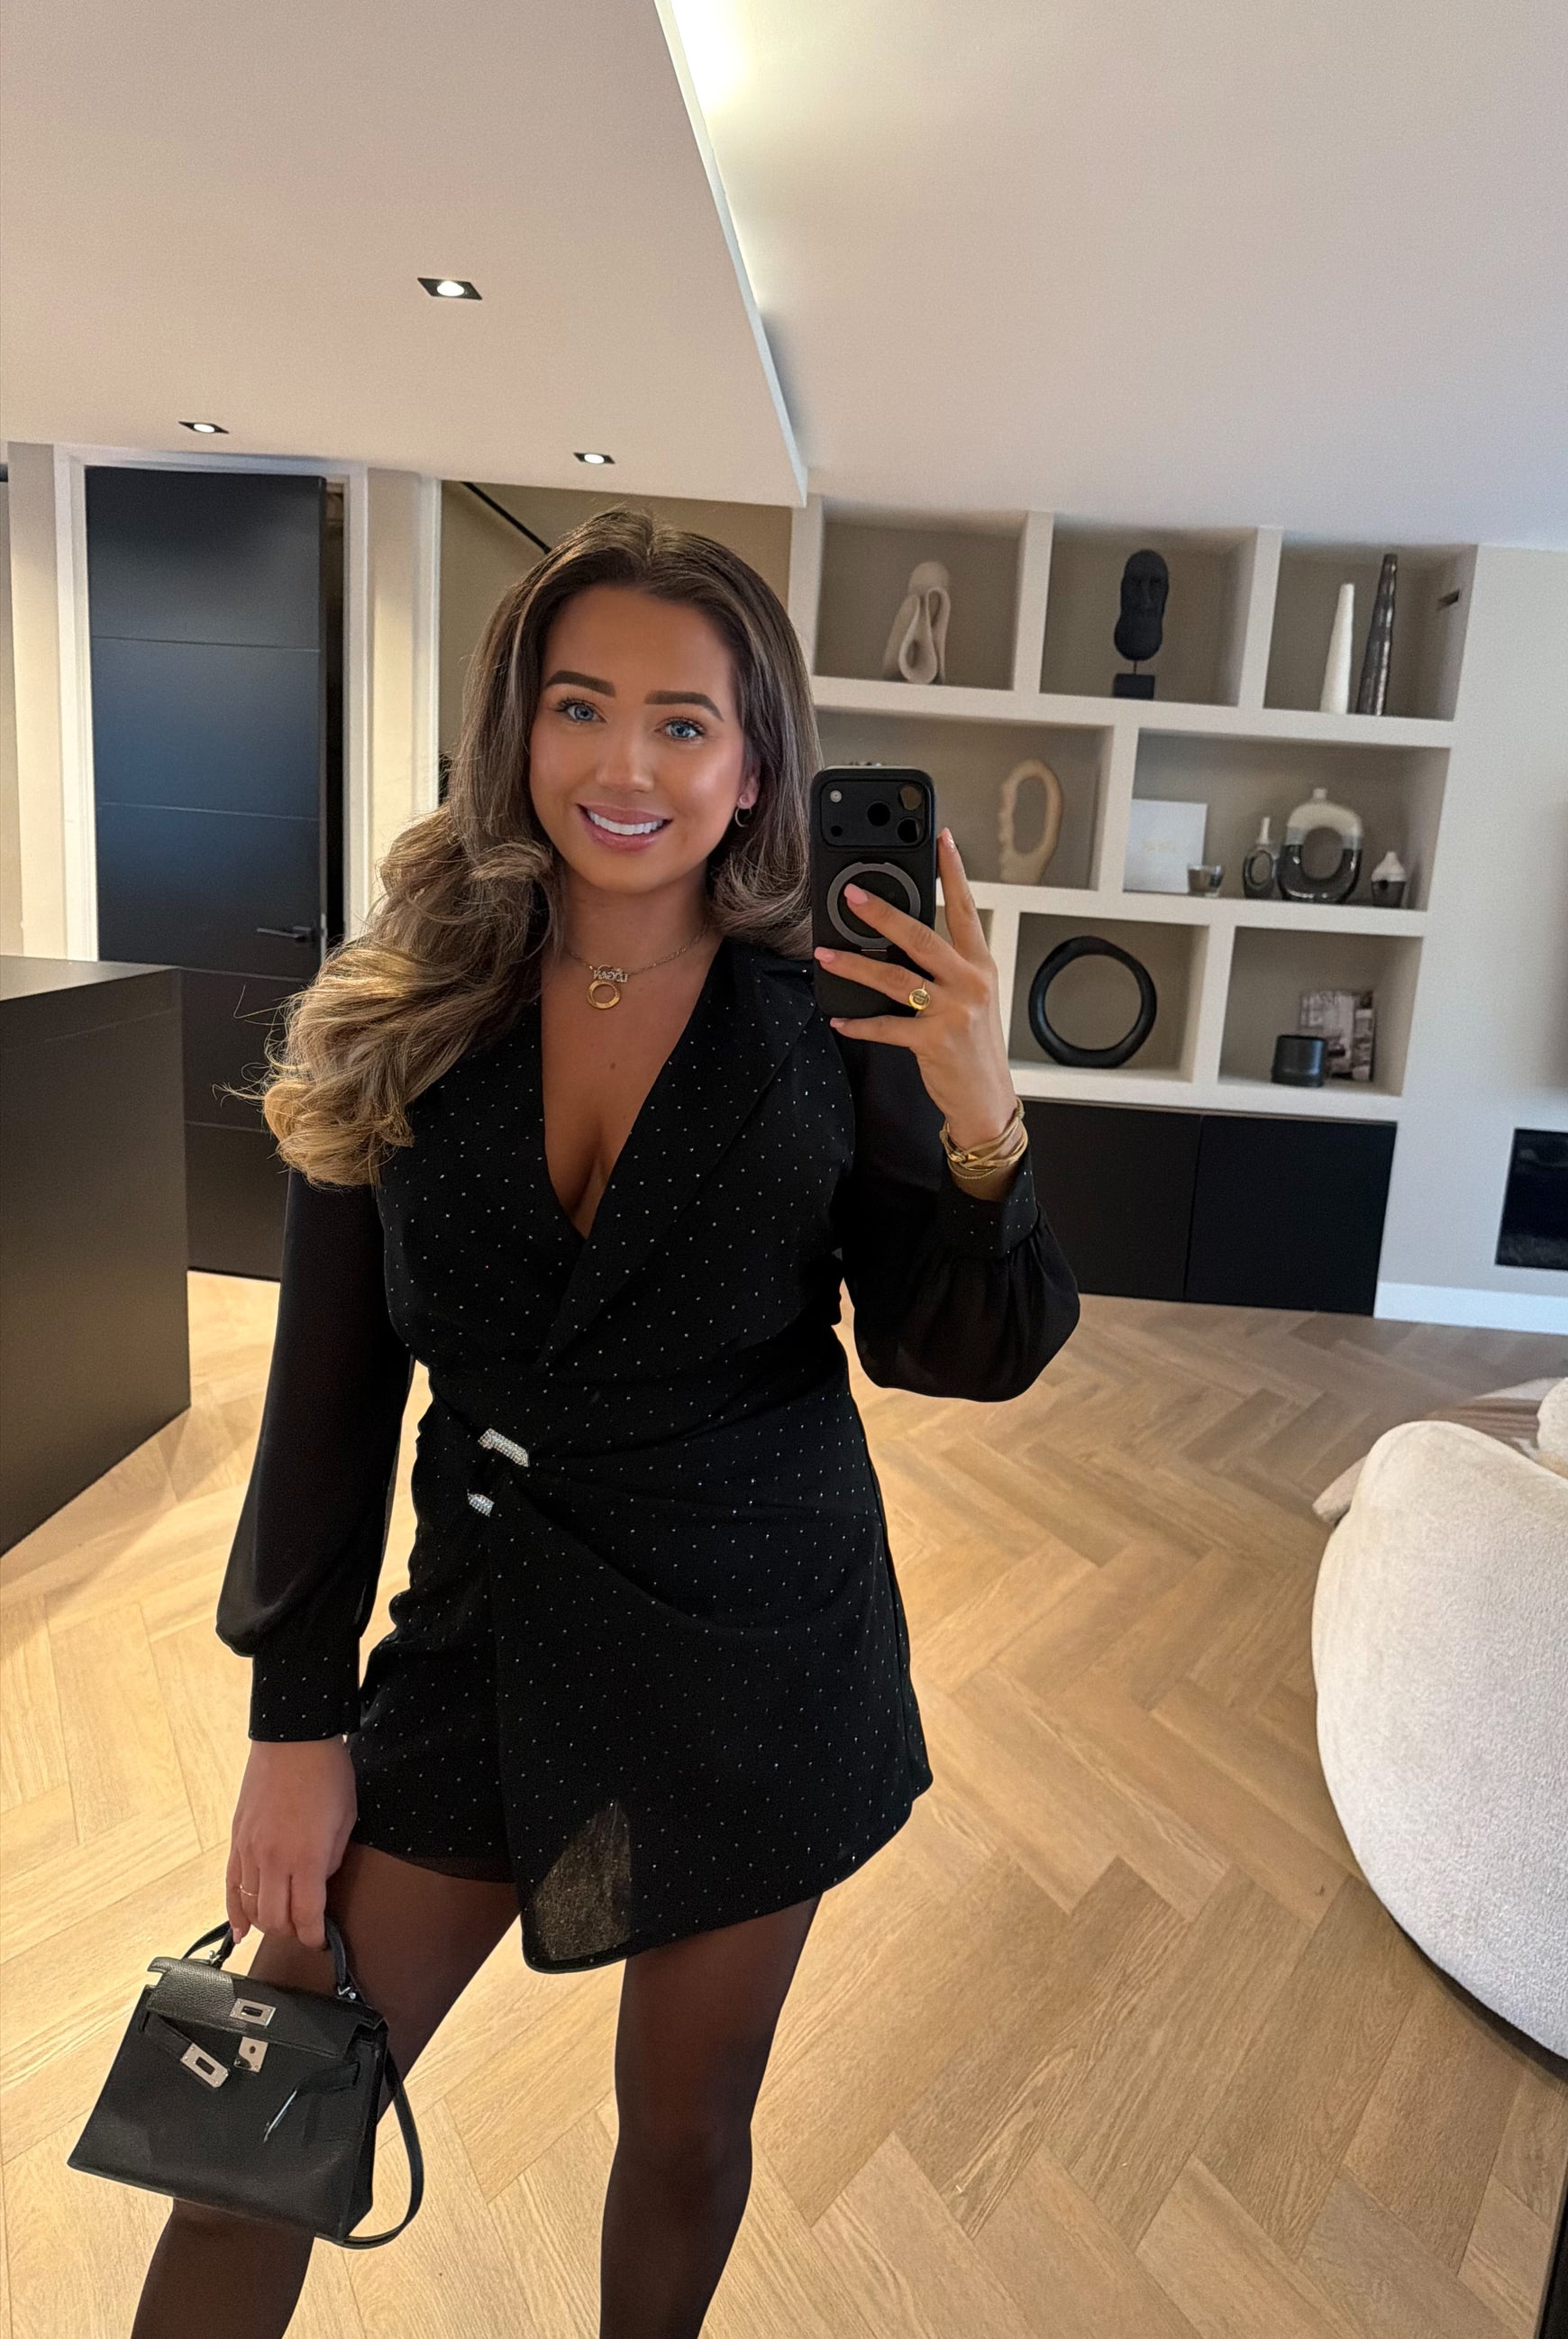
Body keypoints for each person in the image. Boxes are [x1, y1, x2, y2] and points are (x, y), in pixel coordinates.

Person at [128, 507, 1079, 2339]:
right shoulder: (403, 1009)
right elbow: (326, 1398)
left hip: (760, 1650)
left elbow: (954, 1351)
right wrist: (293, 1718)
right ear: (519, 728)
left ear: (754, 768)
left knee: (686, 2129)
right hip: (478, 1633)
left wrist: (980, 1117)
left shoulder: (841, 1021)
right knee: (255, 2134)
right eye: (579, 707)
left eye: (681, 722)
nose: (623, 767)